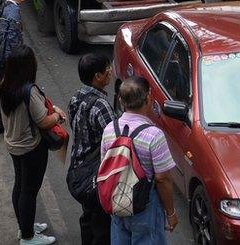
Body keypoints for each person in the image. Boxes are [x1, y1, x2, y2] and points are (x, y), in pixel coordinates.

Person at [0, 44, 63, 245]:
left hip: (13, 144)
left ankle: (24, 227)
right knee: (29, 190)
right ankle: (28, 237)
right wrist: (57, 116)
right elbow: (43, 121)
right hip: (31, 147)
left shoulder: (5, 85)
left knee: (20, 185)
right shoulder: (29, 90)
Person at [101, 77, 178, 243]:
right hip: (146, 207)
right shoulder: (154, 135)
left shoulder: (109, 130)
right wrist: (171, 213)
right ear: (148, 98)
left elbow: (104, 167)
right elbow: (162, 179)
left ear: (121, 101)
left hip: (118, 201)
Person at [68, 54, 114, 245]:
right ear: (98, 76)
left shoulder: (76, 97)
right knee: (101, 223)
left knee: (88, 215)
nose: (110, 72)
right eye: (107, 69)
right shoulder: (101, 105)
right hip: (95, 175)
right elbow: (114, 141)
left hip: (77, 169)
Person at [0, 0, 28, 134]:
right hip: (7, 59)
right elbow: (13, 38)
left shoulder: (5, 6)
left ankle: (0, 123)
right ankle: (7, 124)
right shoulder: (13, 11)